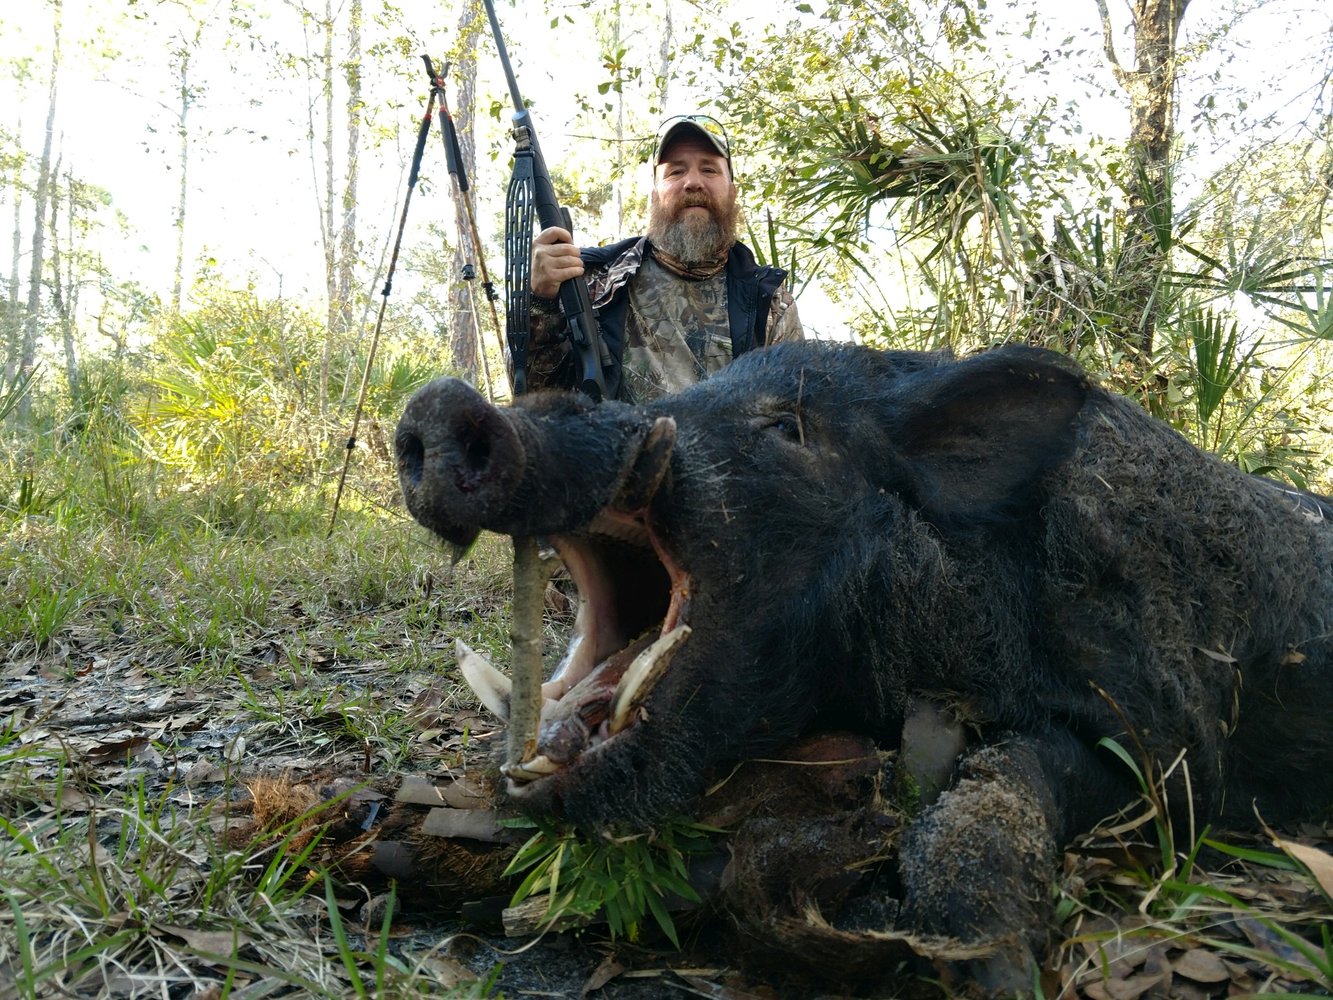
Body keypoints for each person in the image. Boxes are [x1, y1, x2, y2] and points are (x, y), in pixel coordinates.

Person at [523, 113, 803, 402]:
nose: (693, 182)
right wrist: (540, 301)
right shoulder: (592, 280)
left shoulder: (770, 303)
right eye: (675, 172)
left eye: (709, 170)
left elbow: (796, 419)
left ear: (733, 191)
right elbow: (535, 399)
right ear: (654, 196)